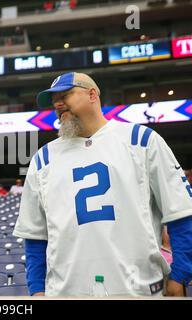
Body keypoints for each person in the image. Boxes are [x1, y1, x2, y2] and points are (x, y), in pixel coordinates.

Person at [13, 72, 192, 297]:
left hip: (138, 289)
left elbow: (181, 213)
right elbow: (35, 235)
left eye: (65, 95)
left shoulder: (141, 139)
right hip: (67, 292)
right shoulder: (44, 158)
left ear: (92, 94)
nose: (58, 104)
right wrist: (37, 289)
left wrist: (181, 275)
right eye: (54, 100)